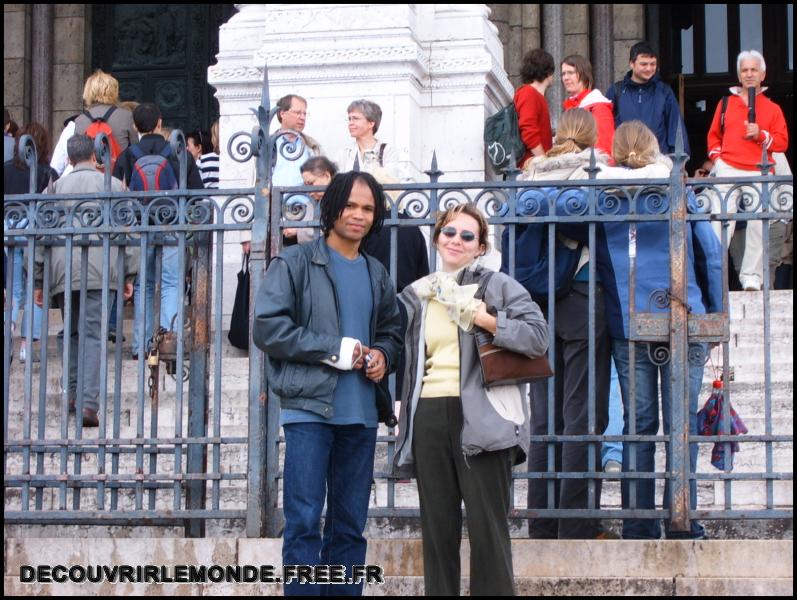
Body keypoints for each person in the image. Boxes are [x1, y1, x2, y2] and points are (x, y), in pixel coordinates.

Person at [252, 170, 402, 596]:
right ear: (331, 207)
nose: (358, 215)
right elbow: (268, 328)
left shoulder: (376, 272)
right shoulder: (295, 262)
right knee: (302, 523)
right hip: (309, 413)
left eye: (368, 208)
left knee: (350, 528)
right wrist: (334, 349)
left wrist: (383, 357)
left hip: (361, 416)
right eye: (350, 205)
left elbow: (392, 331)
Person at [393, 204, 547, 596]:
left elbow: (537, 338)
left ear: (480, 247)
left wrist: (485, 318)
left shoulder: (498, 286)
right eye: (449, 232)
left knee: (488, 531)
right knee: (437, 531)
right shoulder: (419, 294)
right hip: (429, 413)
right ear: (436, 237)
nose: (456, 241)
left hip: (484, 415)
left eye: (467, 236)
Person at [587, 121, 723, 539]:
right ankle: (684, 519)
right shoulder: (677, 188)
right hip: (685, 316)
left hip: (630, 321)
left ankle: (638, 522)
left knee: (637, 424)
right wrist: (715, 313)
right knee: (681, 424)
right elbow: (711, 254)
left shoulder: (604, 194)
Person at [515, 108, 612, 539]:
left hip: (538, 303)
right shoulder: (595, 172)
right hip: (584, 295)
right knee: (582, 415)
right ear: (592, 137)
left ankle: (542, 520)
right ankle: (576, 522)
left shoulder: (530, 175)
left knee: (544, 418)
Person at [33, 135, 136, 426]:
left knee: (73, 330)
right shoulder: (114, 187)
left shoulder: (53, 189)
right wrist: (129, 274)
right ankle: (88, 404)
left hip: (64, 272)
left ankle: (74, 394)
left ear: (68, 159)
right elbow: (128, 235)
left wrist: (39, 280)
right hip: (102, 271)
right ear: (95, 157)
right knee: (92, 333)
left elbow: (39, 238)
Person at [113, 102, 204, 358]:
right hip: (173, 224)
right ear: (160, 123)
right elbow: (197, 193)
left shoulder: (128, 155)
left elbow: (117, 195)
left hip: (141, 227)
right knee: (171, 283)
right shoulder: (178, 153)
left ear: (134, 126)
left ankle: (141, 345)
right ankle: (168, 341)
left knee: (144, 285)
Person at [706, 50, 789, 291]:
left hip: (759, 171)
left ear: (763, 74)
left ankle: (751, 276)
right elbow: (713, 137)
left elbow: (782, 142)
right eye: (744, 70)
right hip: (728, 169)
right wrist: (718, 160)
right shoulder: (725, 103)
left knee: (757, 225)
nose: (749, 74)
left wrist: (762, 135)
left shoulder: (772, 109)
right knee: (720, 224)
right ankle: (714, 276)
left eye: (754, 70)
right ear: (739, 75)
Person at [5, 122, 58, 363]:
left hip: (9, 235)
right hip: (36, 236)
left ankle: (7, 341)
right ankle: (27, 346)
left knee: (13, 290)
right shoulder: (48, 173)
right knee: (37, 289)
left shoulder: (5, 170)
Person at [606, 41, 690, 156]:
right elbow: (605, 128)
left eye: (653, 64)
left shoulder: (664, 91)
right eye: (644, 64)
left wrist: (679, 159)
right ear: (632, 63)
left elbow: (675, 127)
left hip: (658, 161)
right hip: (624, 161)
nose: (649, 68)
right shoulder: (616, 91)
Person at [73, 70, 138, 156]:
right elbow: (136, 150)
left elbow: (77, 155)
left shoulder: (80, 120)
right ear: (114, 91)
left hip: (90, 168)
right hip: (119, 168)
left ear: (87, 91)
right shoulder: (126, 116)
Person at [561, 54, 615, 157]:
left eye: (571, 73)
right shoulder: (570, 105)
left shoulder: (598, 106)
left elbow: (605, 149)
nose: (566, 78)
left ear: (584, 74)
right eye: (563, 74)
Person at [338, 99, 400, 182]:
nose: (350, 123)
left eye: (355, 118)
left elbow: (391, 183)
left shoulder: (387, 150)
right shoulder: (344, 153)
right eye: (349, 119)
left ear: (371, 123)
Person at [514, 48, 555, 168]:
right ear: (548, 72)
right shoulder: (529, 93)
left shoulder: (532, 94)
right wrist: (544, 161)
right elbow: (529, 131)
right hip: (531, 166)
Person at [283, 156, 338, 245]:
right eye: (306, 185)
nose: (309, 190)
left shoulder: (341, 198)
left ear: (327, 176)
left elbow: (334, 232)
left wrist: (299, 231)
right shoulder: (312, 202)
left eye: (311, 183)